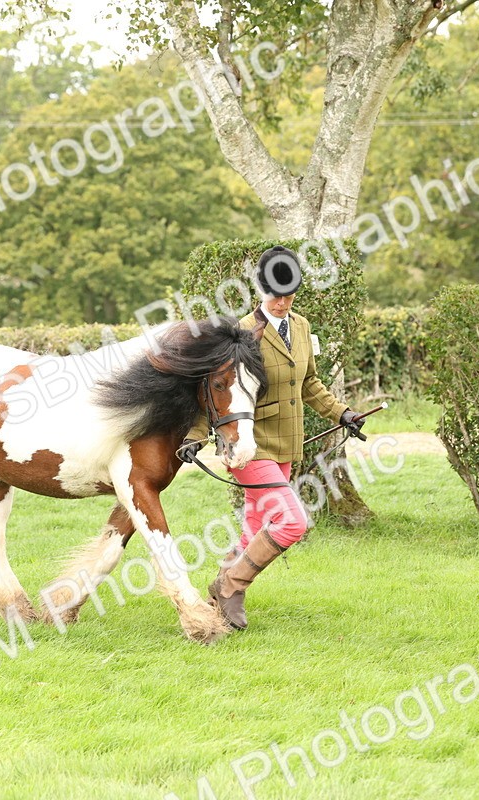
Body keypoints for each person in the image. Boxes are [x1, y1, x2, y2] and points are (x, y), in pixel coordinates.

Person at [177, 245, 365, 630]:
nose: (281, 303)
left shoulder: (301, 326)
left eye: (289, 295)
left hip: (286, 444)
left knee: (255, 523)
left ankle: (216, 600)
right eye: (275, 295)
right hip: (248, 445)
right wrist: (195, 435)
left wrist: (342, 413)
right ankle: (231, 586)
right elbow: (216, 389)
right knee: (293, 522)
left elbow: (309, 383)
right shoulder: (243, 332)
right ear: (260, 290)